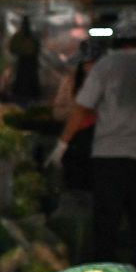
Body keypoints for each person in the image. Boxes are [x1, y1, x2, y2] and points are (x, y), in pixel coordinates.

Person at [46, 9, 136, 267]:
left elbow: (82, 107)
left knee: (106, 225)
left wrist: (62, 144)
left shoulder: (108, 64)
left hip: (109, 156)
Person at [50, 41, 102, 191]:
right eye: (87, 63)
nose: (90, 67)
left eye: (94, 63)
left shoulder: (110, 82)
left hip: (102, 140)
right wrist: (77, 109)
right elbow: (58, 112)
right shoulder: (70, 82)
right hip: (76, 141)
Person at [9, 16, 41, 103]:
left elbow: (12, 48)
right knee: (25, 80)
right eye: (24, 24)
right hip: (26, 61)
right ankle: (26, 96)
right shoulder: (29, 36)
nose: (25, 26)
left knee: (24, 80)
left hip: (27, 61)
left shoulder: (21, 36)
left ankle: (25, 96)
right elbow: (12, 48)